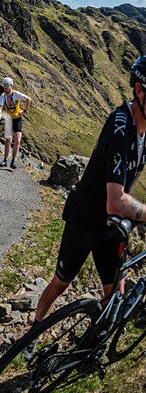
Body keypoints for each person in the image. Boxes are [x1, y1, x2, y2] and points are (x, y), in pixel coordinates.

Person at [24, 56, 146, 358]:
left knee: (114, 292)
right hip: (86, 218)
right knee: (61, 282)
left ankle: (93, 346)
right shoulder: (120, 126)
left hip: (114, 225)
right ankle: (34, 332)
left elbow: (133, 175)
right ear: (140, 90)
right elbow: (115, 199)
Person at [0, 76, 32, 169]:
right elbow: (0, 106)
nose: (5, 87)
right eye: (4, 85)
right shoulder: (3, 96)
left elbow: (29, 99)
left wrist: (24, 111)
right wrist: (0, 114)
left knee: (17, 140)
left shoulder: (16, 94)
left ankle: (13, 161)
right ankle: (4, 160)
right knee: (8, 140)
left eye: (7, 85)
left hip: (17, 119)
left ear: (11, 85)